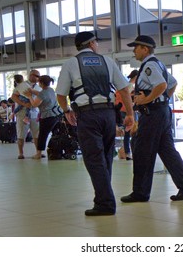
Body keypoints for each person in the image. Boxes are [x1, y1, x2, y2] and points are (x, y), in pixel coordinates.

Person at [56, 31, 134, 216]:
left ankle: (105, 203)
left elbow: (60, 94)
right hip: (108, 114)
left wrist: (67, 111)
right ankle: (103, 199)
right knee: (106, 157)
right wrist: (130, 114)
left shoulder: (70, 64)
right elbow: (124, 89)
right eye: (96, 42)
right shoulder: (107, 61)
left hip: (87, 115)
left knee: (93, 158)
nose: (97, 45)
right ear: (91, 44)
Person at [121, 35, 183, 203]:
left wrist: (146, 100)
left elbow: (162, 85)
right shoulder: (158, 64)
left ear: (145, 49)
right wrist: (162, 100)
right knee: (168, 152)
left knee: (141, 151)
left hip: (153, 114)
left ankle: (140, 193)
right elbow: (173, 83)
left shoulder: (149, 66)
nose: (134, 50)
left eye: (137, 47)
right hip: (162, 112)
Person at [24, 75, 59, 159]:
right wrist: (32, 91)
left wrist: (29, 96)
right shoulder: (50, 90)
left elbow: (34, 104)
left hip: (47, 117)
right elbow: (41, 94)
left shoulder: (43, 93)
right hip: (56, 114)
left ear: (41, 83)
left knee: (42, 135)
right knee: (52, 133)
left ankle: (39, 153)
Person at [11, 69, 41, 159]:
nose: (38, 78)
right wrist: (23, 104)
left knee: (37, 133)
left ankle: (38, 152)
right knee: (21, 133)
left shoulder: (39, 87)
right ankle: (21, 153)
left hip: (35, 112)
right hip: (22, 113)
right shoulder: (22, 85)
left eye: (38, 77)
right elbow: (13, 97)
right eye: (36, 76)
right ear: (31, 75)